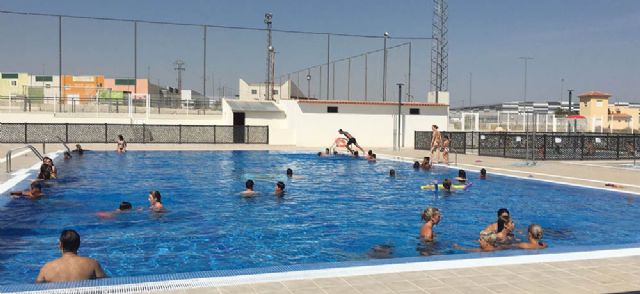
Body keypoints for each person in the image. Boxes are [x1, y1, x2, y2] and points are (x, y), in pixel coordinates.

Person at [35, 230, 106, 283]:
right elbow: (106, 283)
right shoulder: (92, 264)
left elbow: (36, 288)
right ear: (78, 244)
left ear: (60, 244)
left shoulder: (47, 268)